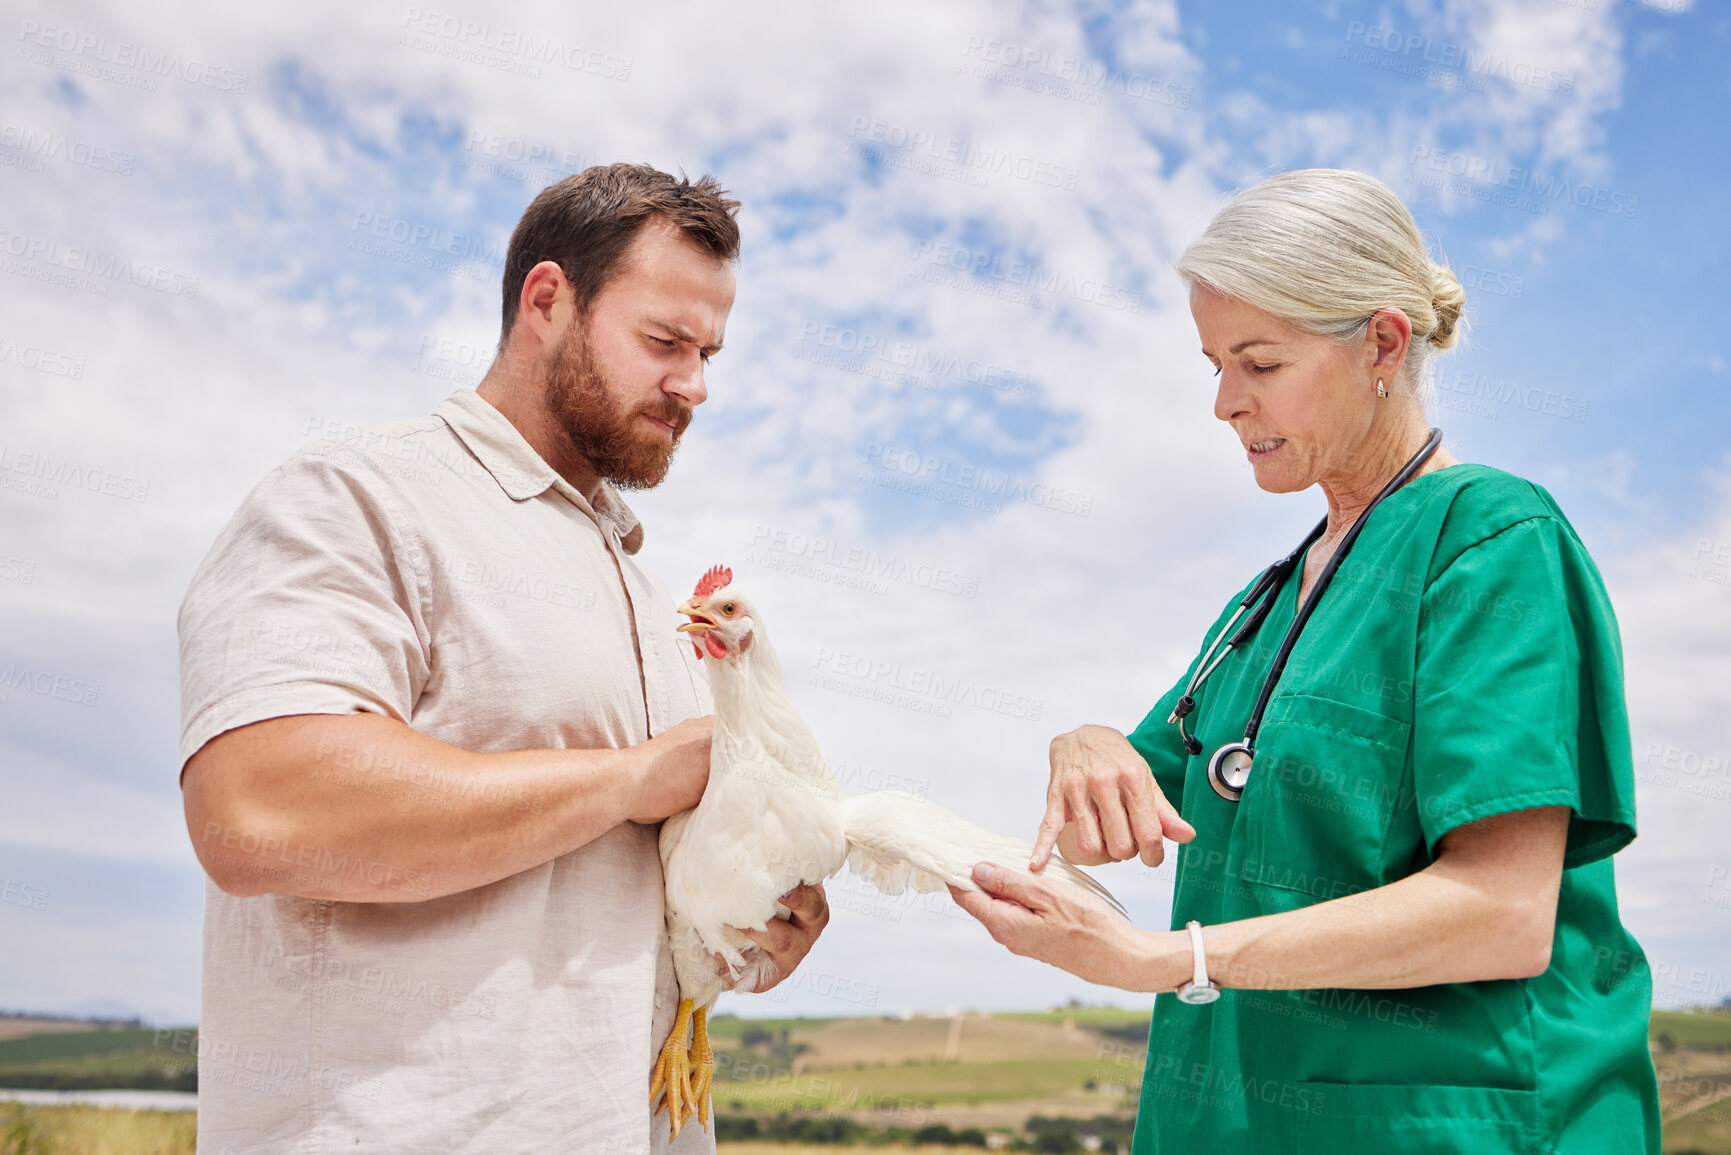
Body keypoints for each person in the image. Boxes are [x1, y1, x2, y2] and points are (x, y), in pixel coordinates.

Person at [950, 168, 1660, 1154]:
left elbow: (1501, 911)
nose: (1224, 404)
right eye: (1213, 365)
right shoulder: (1260, 608)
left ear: (1381, 343)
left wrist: (1167, 958)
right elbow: (1109, 822)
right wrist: (1083, 745)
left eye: (1259, 362)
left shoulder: (1494, 542)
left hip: (1451, 1126)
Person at [177, 163, 829, 1154]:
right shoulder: (357, 497)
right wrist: (630, 779)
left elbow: (583, 906)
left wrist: (738, 926)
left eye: (708, 353)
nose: (693, 385)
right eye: (663, 341)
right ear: (548, 301)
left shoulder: (659, 608)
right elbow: (258, 809)